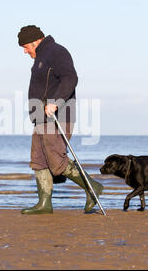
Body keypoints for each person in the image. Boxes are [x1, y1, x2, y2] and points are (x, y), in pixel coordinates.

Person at [17, 25, 104, 215]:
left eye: (25, 46)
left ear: (35, 41)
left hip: (58, 117)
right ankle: (44, 204)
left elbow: (70, 78)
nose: (24, 51)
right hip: (41, 119)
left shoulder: (56, 52)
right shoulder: (41, 56)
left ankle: (93, 187)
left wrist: (55, 102)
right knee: (38, 160)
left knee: (56, 161)